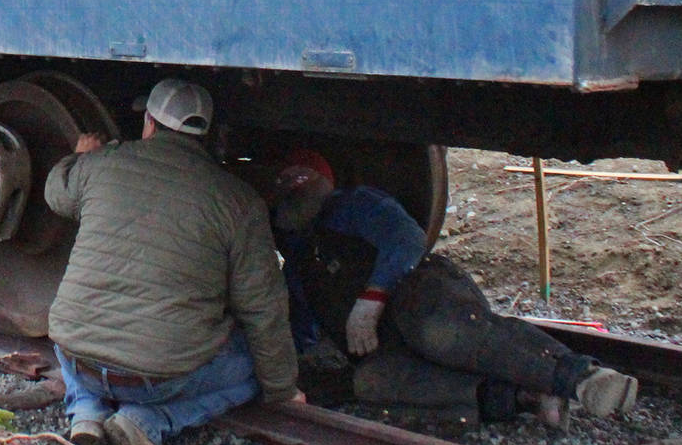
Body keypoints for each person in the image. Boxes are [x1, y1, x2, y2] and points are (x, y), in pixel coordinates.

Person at [44, 78, 303, 445]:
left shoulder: (99, 166)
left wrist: (78, 157)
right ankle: (145, 422)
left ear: (149, 122)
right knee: (254, 364)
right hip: (157, 380)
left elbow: (55, 195)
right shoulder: (238, 200)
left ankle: (86, 417)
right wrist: (284, 391)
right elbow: (262, 310)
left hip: (77, 359)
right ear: (205, 134)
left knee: (80, 327)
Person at [272, 149, 638, 425]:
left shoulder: (354, 206)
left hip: (420, 299)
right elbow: (301, 330)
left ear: (324, 183)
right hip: (385, 343)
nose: (291, 188)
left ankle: (581, 378)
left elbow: (406, 239)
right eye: (284, 183)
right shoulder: (300, 263)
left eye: (300, 179)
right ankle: (524, 398)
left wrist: (373, 298)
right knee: (371, 382)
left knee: (440, 334)